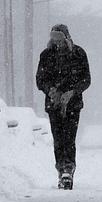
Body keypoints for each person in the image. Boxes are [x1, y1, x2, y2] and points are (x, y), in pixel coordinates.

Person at [35, 23, 91, 189]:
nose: (57, 43)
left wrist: (72, 92)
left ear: (66, 37)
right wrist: (50, 90)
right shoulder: (46, 55)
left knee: (69, 138)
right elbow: (40, 79)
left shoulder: (79, 54)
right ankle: (61, 169)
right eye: (54, 39)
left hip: (73, 105)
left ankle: (68, 169)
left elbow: (86, 79)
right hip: (53, 104)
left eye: (59, 39)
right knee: (58, 139)